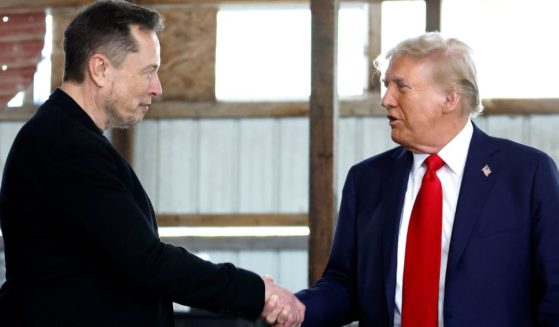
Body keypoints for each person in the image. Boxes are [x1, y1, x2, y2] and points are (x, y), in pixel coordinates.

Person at [0, 1, 304, 326]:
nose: (157, 88)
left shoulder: (69, 138)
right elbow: (148, 261)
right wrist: (256, 293)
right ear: (100, 69)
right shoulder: (65, 146)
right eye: (148, 71)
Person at [296, 32, 559, 326]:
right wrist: (296, 308)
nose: (386, 100)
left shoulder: (527, 173)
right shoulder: (366, 180)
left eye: (401, 87)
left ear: (449, 98)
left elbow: (555, 292)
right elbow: (344, 285)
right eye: (386, 86)